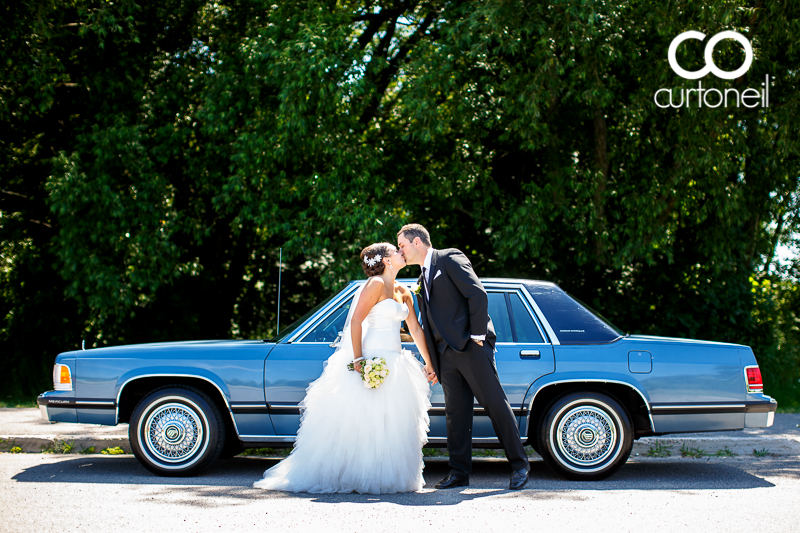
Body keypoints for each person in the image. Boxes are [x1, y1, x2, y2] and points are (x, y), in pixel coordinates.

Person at [254, 243, 436, 494]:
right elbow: (357, 321)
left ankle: (385, 476)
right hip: (372, 359)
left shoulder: (404, 291)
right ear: (385, 259)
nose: (400, 252)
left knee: (393, 423)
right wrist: (360, 360)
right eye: (396, 250)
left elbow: (415, 330)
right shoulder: (373, 285)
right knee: (365, 421)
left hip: (397, 363)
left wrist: (429, 362)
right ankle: (357, 475)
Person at [397, 223, 530, 490]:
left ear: (417, 243)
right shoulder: (421, 278)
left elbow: (476, 294)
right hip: (445, 355)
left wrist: (478, 338)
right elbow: (430, 322)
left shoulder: (449, 258)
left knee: (495, 405)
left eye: (401, 245)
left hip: (471, 348)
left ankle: (519, 465)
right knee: (455, 415)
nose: (400, 251)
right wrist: (432, 362)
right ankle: (459, 473)